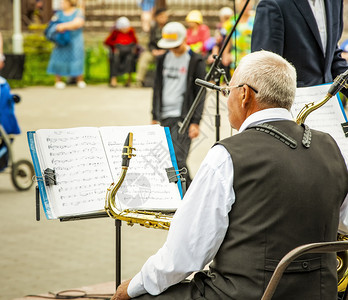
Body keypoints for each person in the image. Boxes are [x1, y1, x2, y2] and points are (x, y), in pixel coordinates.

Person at [112, 50, 348, 300]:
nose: (227, 99)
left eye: (228, 90)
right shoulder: (334, 149)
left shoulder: (226, 156)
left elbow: (183, 257)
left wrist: (132, 287)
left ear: (244, 94)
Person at [251, 0, 348, 97]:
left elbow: (331, 56)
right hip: (292, 105)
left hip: (329, 104)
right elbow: (264, 72)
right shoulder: (273, 3)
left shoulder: (336, 2)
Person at [151, 21, 206, 188]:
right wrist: (154, 115)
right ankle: (183, 193)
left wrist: (196, 121)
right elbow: (157, 88)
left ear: (183, 40)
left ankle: (188, 192)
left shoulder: (195, 61)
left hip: (184, 117)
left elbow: (200, 93)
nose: (172, 49)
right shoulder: (163, 59)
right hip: (164, 116)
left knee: (178, 159)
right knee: (168, 159)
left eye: (175, 45)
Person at [46, 0, 86, 89]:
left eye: (63, 2)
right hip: (61, 40)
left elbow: (78, 23)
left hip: (75, 39)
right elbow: (52, 25)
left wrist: (63, 26)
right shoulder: (58, 14)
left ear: (69, 3)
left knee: (77, 57)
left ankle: (79, 80)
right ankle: (58, 81)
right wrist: (58, 27)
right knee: (59, 57)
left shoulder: (78, 12)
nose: (62, 4)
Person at [136, 8, 168, 87]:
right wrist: (153, 50)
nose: (163, 18)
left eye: (164, 16)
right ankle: (139, 81)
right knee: (144, 57)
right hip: (154, 52)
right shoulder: (153, 28)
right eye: (161, 16)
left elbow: (172, 42)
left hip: (167, 52)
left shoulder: (169, 27)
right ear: (156, 17)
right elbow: (150, 43)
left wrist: (165, 51)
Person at [221, 0, 255, 74]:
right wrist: (225, 54)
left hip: (251, 58)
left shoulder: (255, 18)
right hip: (235, 59)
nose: (246, 5)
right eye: (243, 1)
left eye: (248, 2)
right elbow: (228, 39)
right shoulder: (232, 20)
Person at [104, 17, 138, 88]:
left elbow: (135, 42)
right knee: (115, 59)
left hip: (128, 52)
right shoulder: (115, 32)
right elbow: (107, 42)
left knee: (130, 59)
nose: (125, 29)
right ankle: (113, 80)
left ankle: (128, 80)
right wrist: (114, 46)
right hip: (118, 52)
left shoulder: (131, 32)